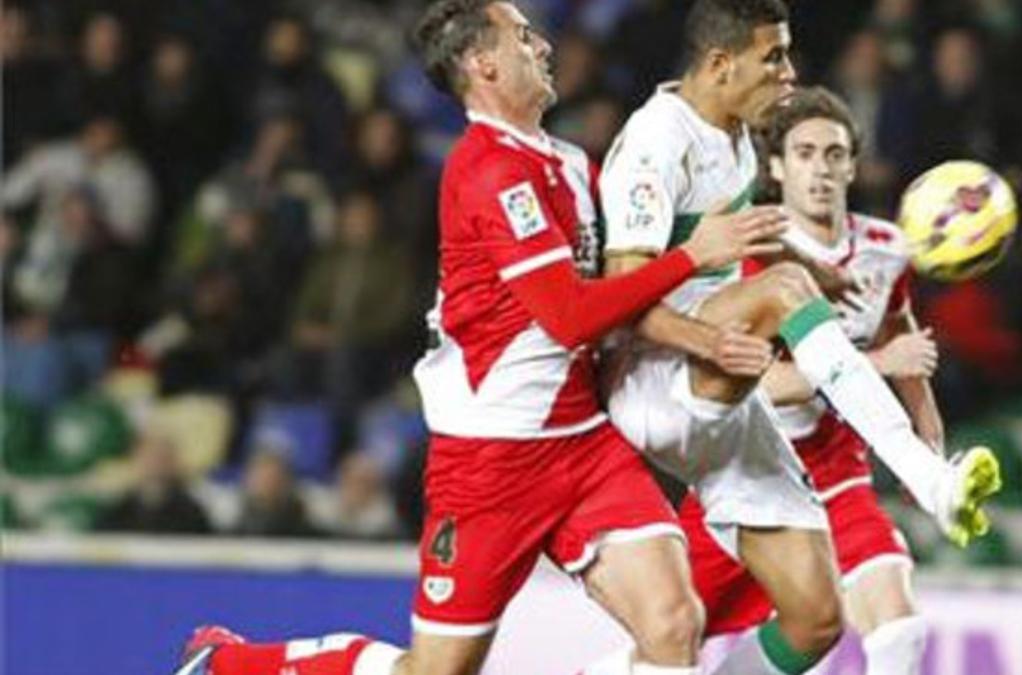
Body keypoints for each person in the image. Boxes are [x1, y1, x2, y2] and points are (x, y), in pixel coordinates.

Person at [173, 2, 786, 675]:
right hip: (492, 458)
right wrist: (693, 256)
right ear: (482, 63)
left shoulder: (571, 162)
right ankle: (235, 662)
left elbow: (619, 298)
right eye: (524, 36)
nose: (545, 46)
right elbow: (571, 316)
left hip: (581, 443)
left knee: (674, 624)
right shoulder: (486, 169)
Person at [597, 4, 1000, 670]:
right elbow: (621, 301)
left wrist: (816, 269)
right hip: (657, 378)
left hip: (729, 397)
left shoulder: (729, 134)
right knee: (782, 287)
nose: (788, 73)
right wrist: (711, 339)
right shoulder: (654, 143)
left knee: (814, 619)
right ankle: (930, 481)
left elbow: (745, 229)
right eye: (774, 57)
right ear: (722, 64)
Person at [678, 87, 1002, 675]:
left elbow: (900, 333)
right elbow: (759, 382)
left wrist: (927, 450)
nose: (821, 169)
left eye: (834, 154)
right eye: (804, 153)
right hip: (745, 469)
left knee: (900, 630)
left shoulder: (885, 248)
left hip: (835, 470)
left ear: (853, 164)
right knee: (667, 645)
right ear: (776, 167)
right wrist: (879, 366)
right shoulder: (752, 257)